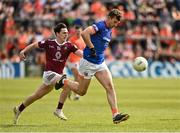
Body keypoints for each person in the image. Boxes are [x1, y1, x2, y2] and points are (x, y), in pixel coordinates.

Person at [55, 9, 130, 124]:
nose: (115, 25)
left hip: (100, 63)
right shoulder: (100, 25)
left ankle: (115, 115)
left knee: (110, 87)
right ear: (109, 18)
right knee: (81, 91)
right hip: (88, 63)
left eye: (117, 23)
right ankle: (64, 81)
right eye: (114, 22)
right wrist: (91, 47)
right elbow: (85, 33)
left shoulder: (110, 29)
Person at [13, 23, 82, 124]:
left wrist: (91, 57)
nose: (66, 34)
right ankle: (58, 110)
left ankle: (19, 108)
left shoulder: (69, 45)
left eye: (67, 33)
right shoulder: (49, 43)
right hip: (49, 74)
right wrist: (23, 51)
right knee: (67, 84)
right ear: (57, 33)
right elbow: (34, 45)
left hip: (57, 76)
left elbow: (80, 53)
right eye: (64, 33)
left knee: (36, 96)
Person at [67, 25, 86, 100]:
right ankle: (76, 94)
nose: (78, 33)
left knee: (78, 77)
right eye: (77, 31)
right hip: (72, 60)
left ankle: (69, 88)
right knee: (77, 77)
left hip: (80, 61)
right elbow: (67, 49)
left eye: (79, 31)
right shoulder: (72, 40)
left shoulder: (82, 40)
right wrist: (67, 59)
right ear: (75, 32)